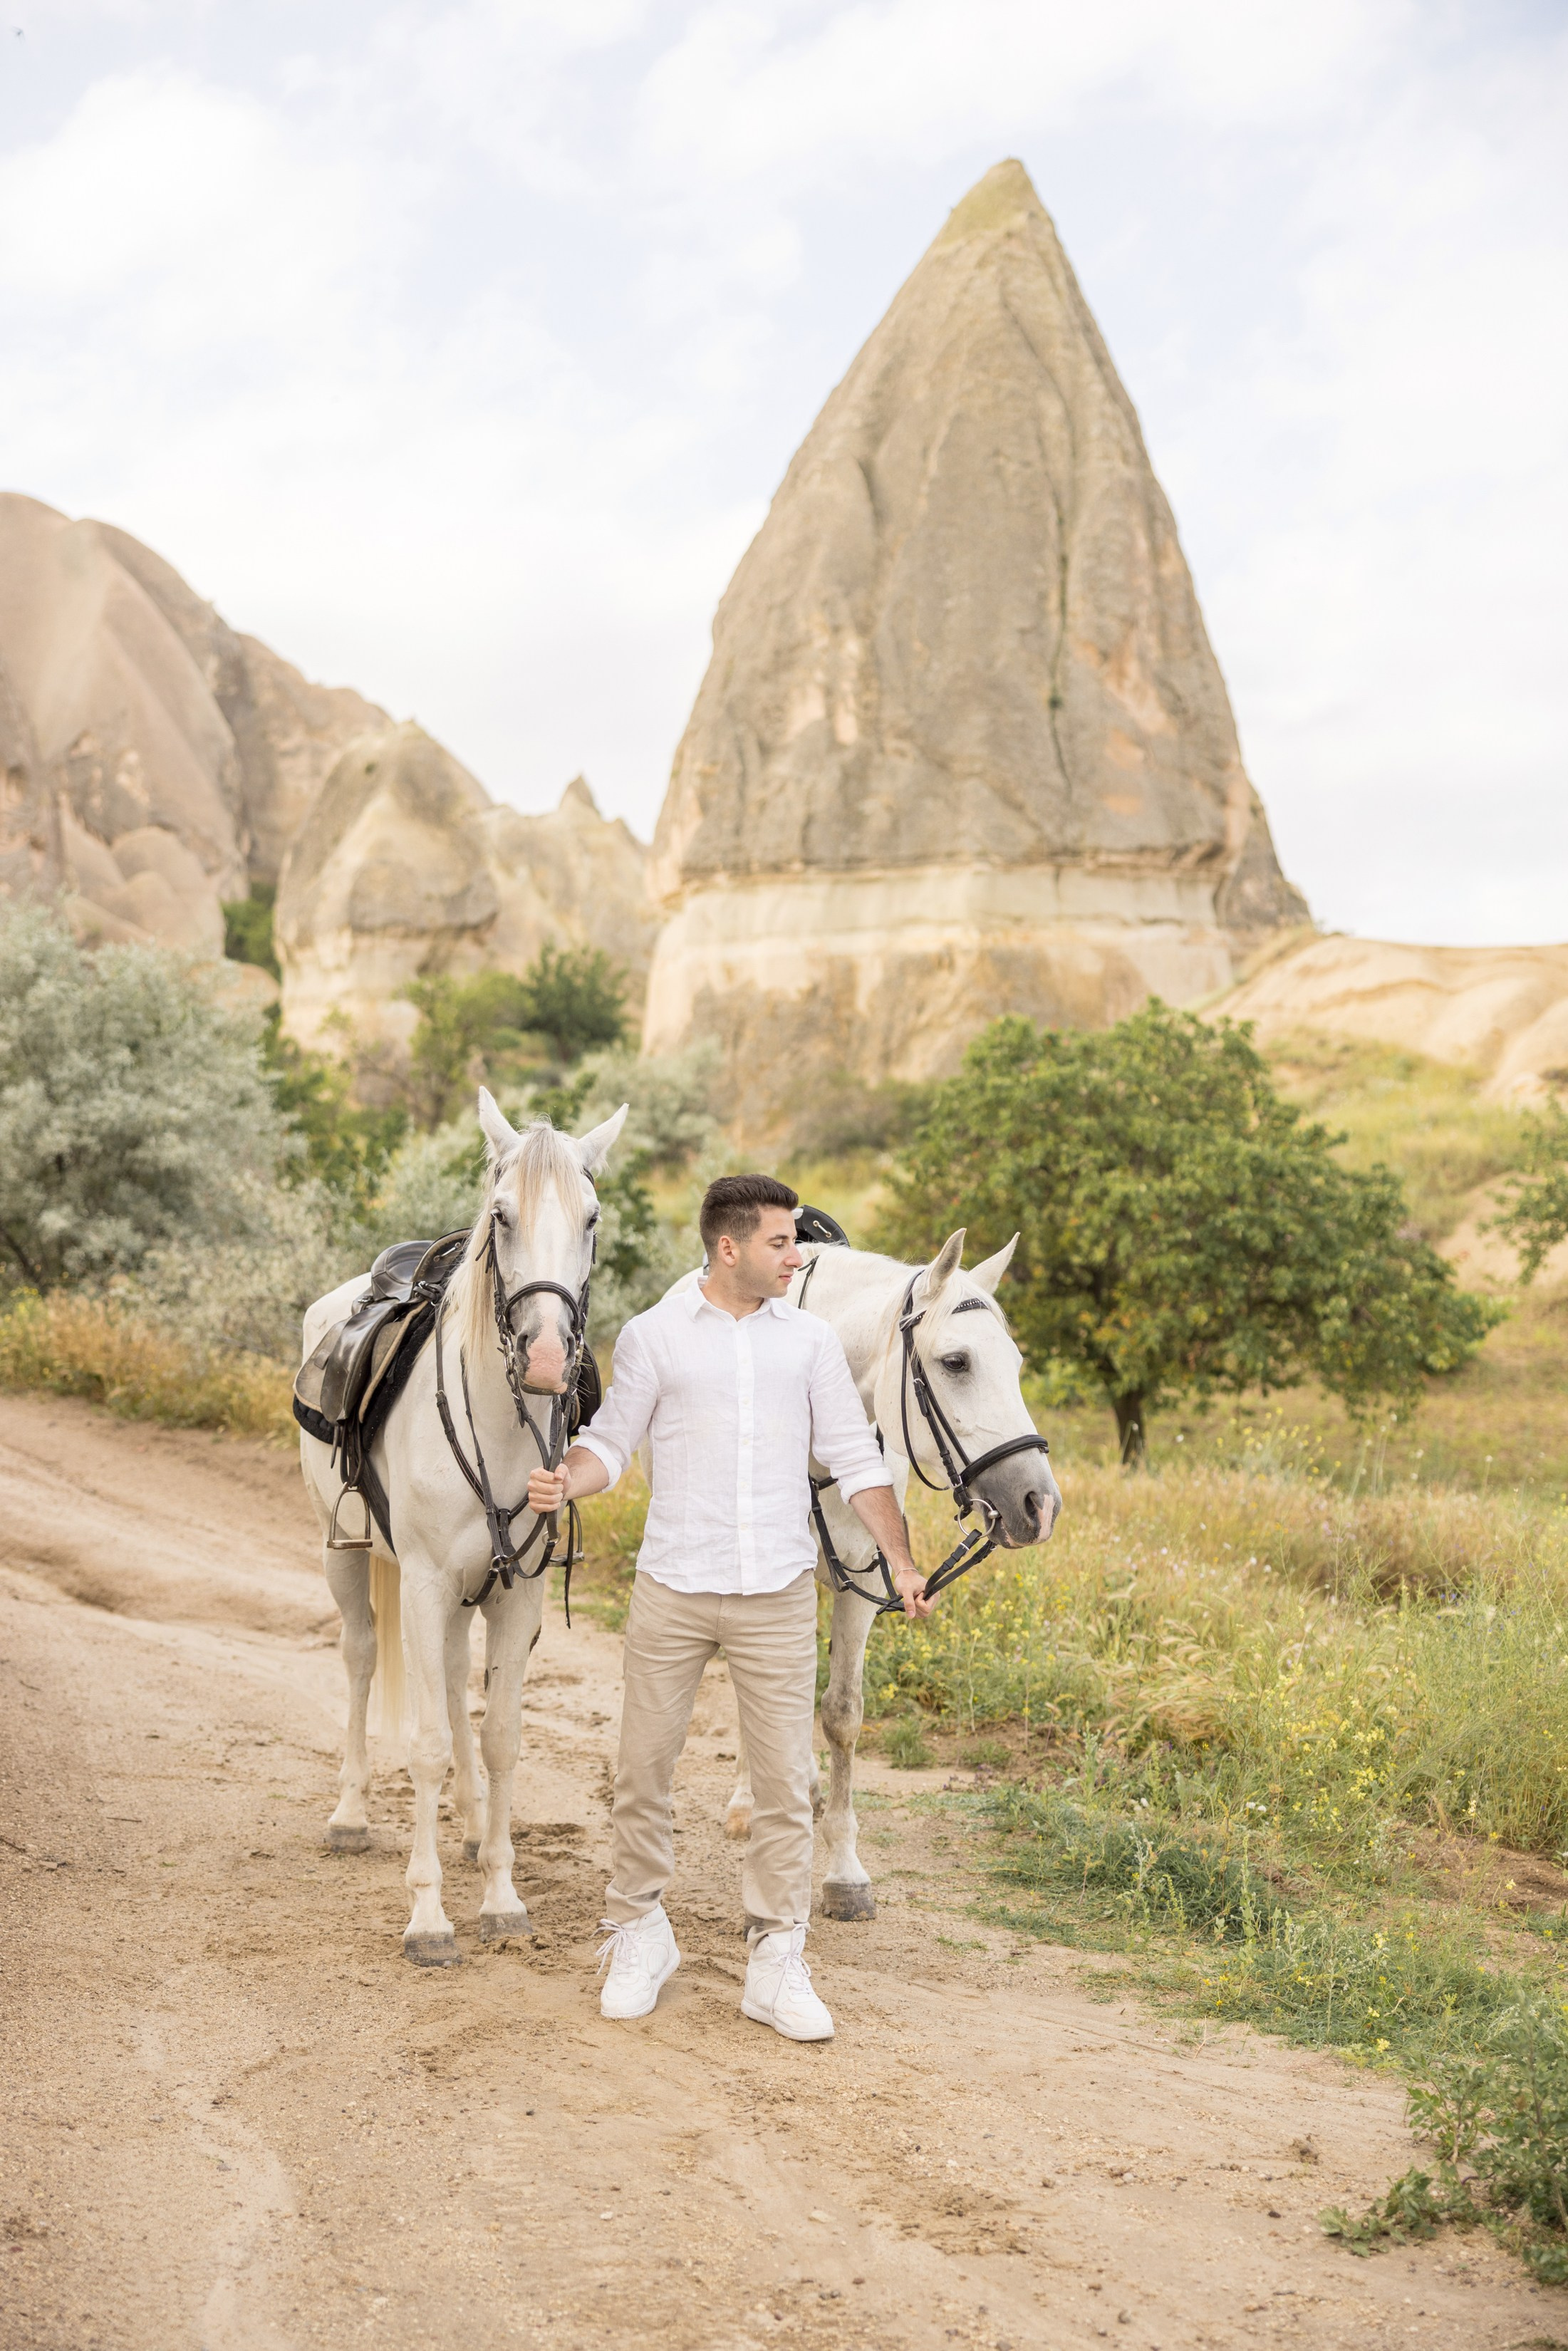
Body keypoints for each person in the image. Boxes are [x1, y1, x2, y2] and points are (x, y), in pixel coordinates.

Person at [525, 1173, 930, 2042]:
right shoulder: (654, 1337)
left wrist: (899, 1561)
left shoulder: (810, 1345)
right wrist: (569, 1482)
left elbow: (858, 1461)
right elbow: (608, 1443)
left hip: (778, 1593)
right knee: (641, 1771)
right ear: (729, 1248)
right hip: (673, 1587)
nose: (798, 1256)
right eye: (782, 1243)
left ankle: (776, 1960)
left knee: (784, 1785)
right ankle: (638, 1930)